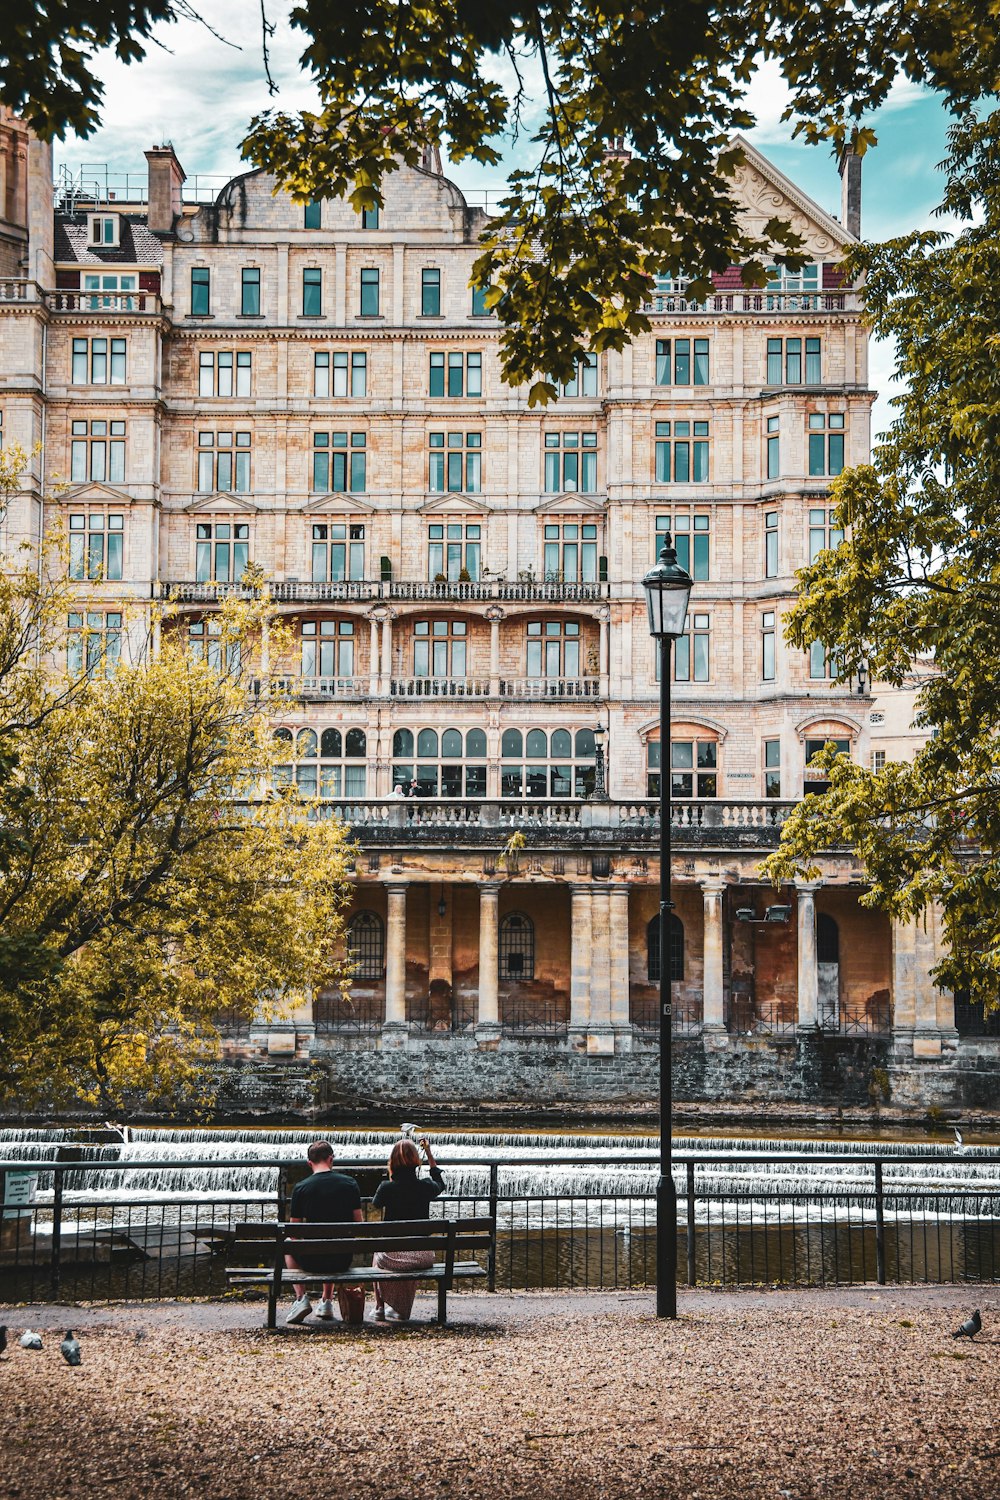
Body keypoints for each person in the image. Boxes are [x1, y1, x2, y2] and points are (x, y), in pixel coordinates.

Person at [284, 1140, 363, 1325]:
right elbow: (359, 1225)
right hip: (342, 1259)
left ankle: (301, 1298)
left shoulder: (301, 1188)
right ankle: (326, 1301)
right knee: (334, 1242)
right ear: (331, 1159)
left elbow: (294, 1231)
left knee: (288, 1242)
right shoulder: (350, 1184)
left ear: (309, 1163)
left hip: (312, 1260)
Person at [371, 1137, 445, 1321]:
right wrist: (428, 1152)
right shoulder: (426, 1186)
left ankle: (380, 1307)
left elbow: (376, 1204)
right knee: (410, 1252)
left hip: (394, 1257)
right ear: (416, 1162)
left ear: (393, 1162)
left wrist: (391, 1175)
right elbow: (440, 1183)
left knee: (377, 1254)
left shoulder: (386, 1188)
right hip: (422, 1257)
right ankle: (400, 1309)